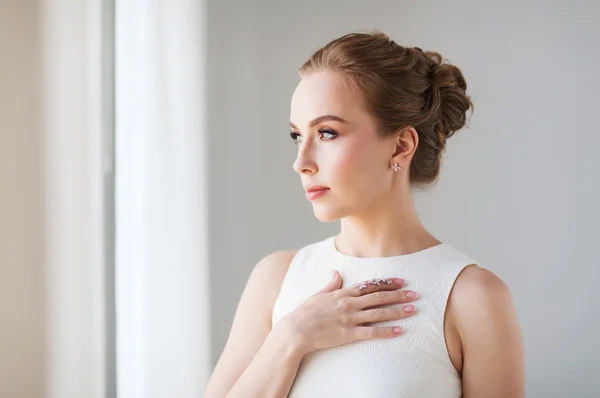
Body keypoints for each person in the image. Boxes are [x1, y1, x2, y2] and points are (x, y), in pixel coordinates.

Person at [204, 30, 524, 398]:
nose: (301, 162)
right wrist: (291, 337)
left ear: (402, 145)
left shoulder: (472, 296)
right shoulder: (276, 278)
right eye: (297, 136)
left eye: (326, 133)